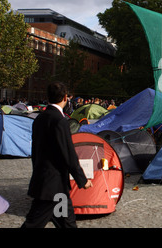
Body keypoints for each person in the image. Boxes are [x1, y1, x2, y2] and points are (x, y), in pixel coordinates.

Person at [21, 82, 93, 228]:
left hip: (51, 183)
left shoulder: (40, 118)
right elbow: (68, 153)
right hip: (52, 185)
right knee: (33, 224)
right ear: (66, 97)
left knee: (66, 223)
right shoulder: (59, 121)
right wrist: (82, 179)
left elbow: (36, 151)